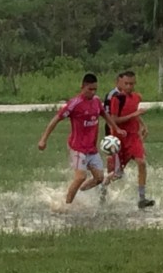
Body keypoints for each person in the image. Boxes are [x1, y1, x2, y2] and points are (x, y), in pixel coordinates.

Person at [38, 73, 124, 204]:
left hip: (92, 149)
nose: (93, 92)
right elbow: (56, 119)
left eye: (95, 89)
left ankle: (78, 193)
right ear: (82, 87)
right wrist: (43, 139)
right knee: (81, 177)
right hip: (78, 148)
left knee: (99, 178)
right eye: (90, 89)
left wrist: (116, 128)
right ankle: (67, 205)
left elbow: (104, 114)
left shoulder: (96, 101)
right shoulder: (74, 103)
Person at [102, 70, 155, 209]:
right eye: (126, 84)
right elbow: (114, 120)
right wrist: (135, 114)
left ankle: (142, 198)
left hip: (133, 137)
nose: (129, 86)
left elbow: (133, 113)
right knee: (117, 174)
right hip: (120, 139)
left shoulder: (137, 97)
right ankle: (102, 189)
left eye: (132, 84)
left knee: (142, 163)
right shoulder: (117, 99)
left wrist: (143, 124)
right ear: (121, 83)